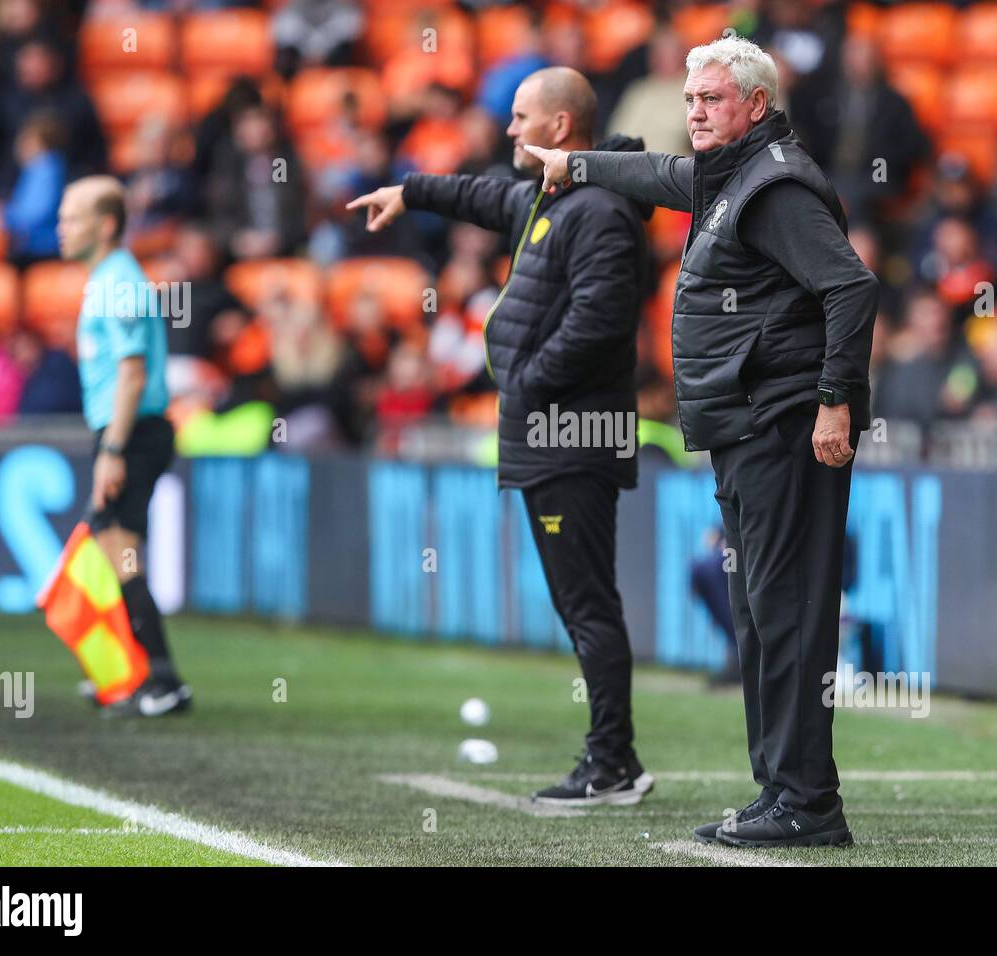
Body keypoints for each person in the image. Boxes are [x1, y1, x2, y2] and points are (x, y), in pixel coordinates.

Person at [527, 36, 878, 846]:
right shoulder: (736, 174)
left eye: (711, 100)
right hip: (748, 425)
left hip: (783, 423)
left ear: (755, 104)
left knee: (784, 614)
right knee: (759, 614)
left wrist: (836, 403)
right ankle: (780, 792)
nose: (694, 113)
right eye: (689, 101)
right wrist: (576, 166)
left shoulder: (776, 184)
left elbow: (850, 288)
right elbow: (659, 175)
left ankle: (807, 804)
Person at [348, 67, 655, 806]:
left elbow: (600, 323)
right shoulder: (553, 197)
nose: (508, 130)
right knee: (581, 601)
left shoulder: (600, 210)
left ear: (559, 128)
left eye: (521, 118)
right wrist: (411, 190)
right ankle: (615, 759)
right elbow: (480, 195)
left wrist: (525, 382)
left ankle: (612, 762)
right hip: (552, 429)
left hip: (572, 432)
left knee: (587, 604)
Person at [57, 175, 191, 717]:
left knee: (122, 553)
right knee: (115, 552)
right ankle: (132, 672)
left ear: (106, 224)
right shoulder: (106, 280)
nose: (62, 229)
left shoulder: (118, 283)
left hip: (132, 432)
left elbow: (132, 376)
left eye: (73, 218)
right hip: (123, 431)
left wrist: (111, 451)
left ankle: (162, 679)